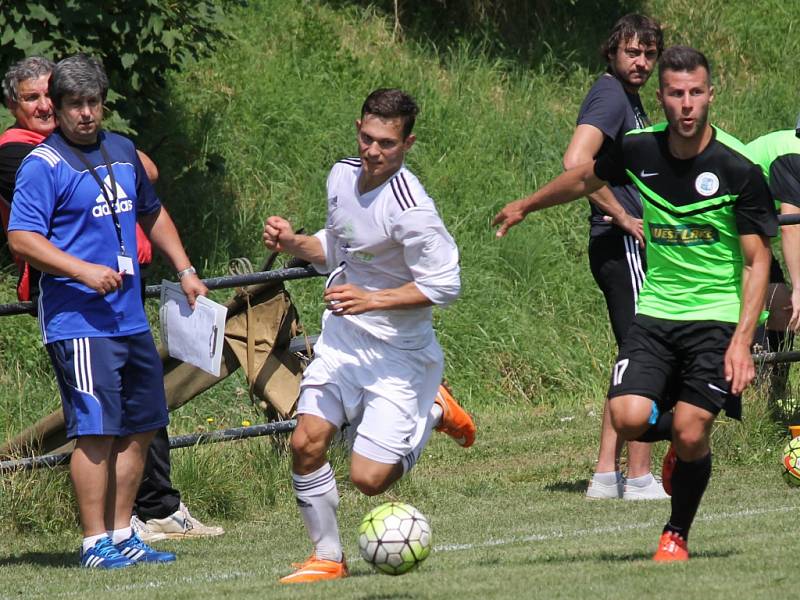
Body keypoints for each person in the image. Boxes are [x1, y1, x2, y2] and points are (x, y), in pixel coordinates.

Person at [493, 46, 776, 561]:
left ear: (710, 94)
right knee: (626, 417)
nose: (686, 104)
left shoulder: (738, 167)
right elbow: (584, 177)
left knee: (691, 430)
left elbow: (758, 262)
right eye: (675, 93)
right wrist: (526, 205)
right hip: (657, 311)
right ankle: (687, 446)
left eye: (695, 92)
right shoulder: (639, 148)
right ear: (661, 97)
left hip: (715, 318)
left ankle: (676, 533)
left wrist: (742, 341)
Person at [0, 56, 224, 543]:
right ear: (58, 108)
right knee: (97, 430)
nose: (86, 113)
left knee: (142, 425)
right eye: (75, 104)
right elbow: (22, 239)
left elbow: (153, 212)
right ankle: (95, 541)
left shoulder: (121, 149)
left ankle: (126, 535)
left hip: (129, 316)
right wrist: (82, 270)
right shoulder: (42, 165)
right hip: (79, 320)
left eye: (93, 103)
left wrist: (185, 269)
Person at [262, 88, 476, 583]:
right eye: (367, 138)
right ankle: (328, 557)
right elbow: (338, 247)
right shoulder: (340, 174)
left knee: (370, 479)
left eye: (387, 143)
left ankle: (435, 408)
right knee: (306, 441)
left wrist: (373, 299)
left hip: (398, 354)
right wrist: (295, 242)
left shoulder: (412, 209)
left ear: (408, 143)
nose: (374, 151)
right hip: (342, 341)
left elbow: (446, 284)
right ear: (357, 127)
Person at [562, 14, 667, 500]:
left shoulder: (629, 99)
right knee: (647, 352)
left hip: (626, 244)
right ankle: (640, 476)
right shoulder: (609, 94)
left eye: (649, 53)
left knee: (631, 354)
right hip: (620, 241)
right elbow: (576, 163)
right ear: (612, 53)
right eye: (632, 52)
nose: (641, 61)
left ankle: (607, 476)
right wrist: (624, 218)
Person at [746, 120, 800, 402]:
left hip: (754, 231)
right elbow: (792, 225)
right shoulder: (793, 154)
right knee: (771, 304)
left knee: (782, 307)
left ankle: (773, 391)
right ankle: (756, 390)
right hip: (729, 229)